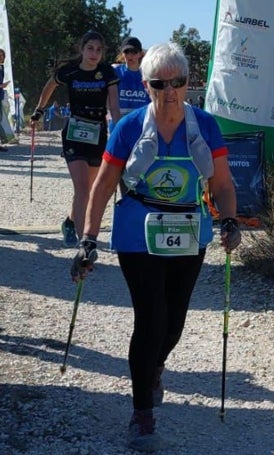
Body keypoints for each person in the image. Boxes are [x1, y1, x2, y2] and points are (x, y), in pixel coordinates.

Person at [69, 42, 241, 451]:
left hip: (187, 228)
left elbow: (221, 184)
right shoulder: (129, 127)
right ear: (146, 85)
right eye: (160, 84)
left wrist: (231, 221)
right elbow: (104, 186)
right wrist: (88, 239)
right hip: (136, 229)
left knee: (175, 320)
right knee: (150, 317)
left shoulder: (205, 126)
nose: (170, 92)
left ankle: (154, 366)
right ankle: (142, 413)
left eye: (177, 83)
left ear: (187, 83)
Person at [30, 30, 120, 247]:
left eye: (99, 50)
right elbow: (50, 85)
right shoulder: (69, 71)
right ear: (82, 49)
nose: (94, 53)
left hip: (98, 133)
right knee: (81, 187)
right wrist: (39, 110)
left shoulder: (107, 73)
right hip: (74, 133)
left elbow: (114, 108)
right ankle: (85, 243)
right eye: (90, 48)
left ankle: (70, 223)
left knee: (88, 190)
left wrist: (121, 133)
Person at [110, 36, 150, 131]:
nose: (130, 55)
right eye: (127, 52)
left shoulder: (148, 74)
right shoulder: (115, 72)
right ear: (122, 54)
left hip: (141, 125)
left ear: (140, 54)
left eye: (134, 52)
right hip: (118, 123)